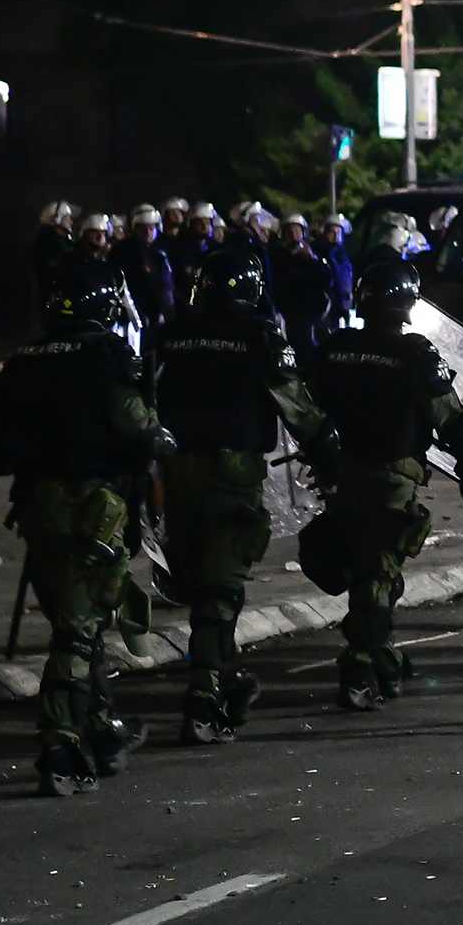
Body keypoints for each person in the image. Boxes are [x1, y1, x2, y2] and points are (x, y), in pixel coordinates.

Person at [148, 241, 338, 742]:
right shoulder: (261, 336)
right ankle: (204, 696)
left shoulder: (172, 335)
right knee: (220, 586)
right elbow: (298, 408)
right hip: (230, 472)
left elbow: (146, 405)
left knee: (197, 576)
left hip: (175, 472)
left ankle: (226, 677)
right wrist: (329, 457)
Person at [0, 262, 160, 797]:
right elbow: (136, 431)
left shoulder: (24, 361)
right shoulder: (108, 359)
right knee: (80, 629)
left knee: (76, 617)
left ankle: (102, 727)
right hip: (91, 506)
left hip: (37, 503)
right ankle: (59, 741)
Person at [308, 258, 463, 713]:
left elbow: (306, 407)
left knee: (370, 570)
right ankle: (359, 668)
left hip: (342, 476)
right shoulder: (414, 353)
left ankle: (386, 657)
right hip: (390, 477)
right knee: (376, 575)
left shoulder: (335, 348)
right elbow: (450, 417)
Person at [272, 213, 337, 369]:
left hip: (309, 315)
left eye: (297, 229)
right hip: (288, 313)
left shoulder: (313, 254)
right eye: (289, 230)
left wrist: (311, 260)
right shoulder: (278, 256)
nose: (293, 234)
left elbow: (327, 279)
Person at [116, 206, 174, 341]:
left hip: (162, 308)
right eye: (143, 228)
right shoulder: (123, 250)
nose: (148, 232)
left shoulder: (166, 247)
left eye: (151, 228)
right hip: (135, 307)